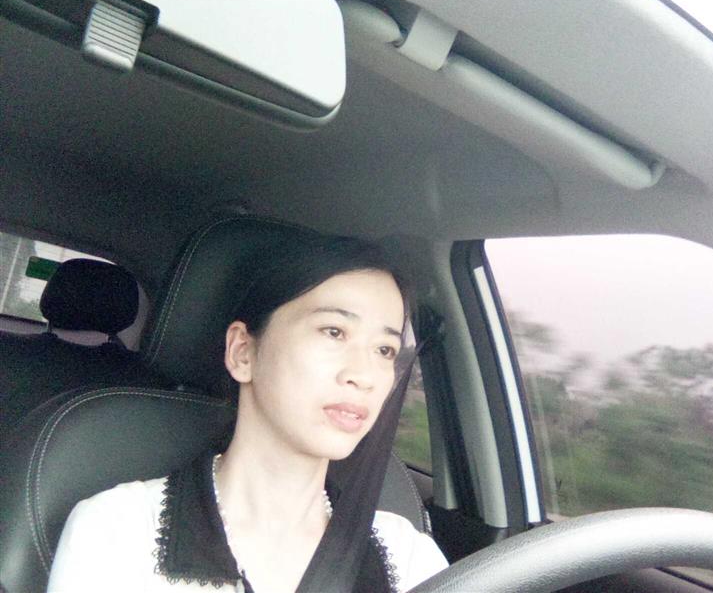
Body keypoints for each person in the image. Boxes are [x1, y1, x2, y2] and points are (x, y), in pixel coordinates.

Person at [47, 235, 449, 592]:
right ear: (243, 351)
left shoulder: (408, 556)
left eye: (384, 350)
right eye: (334, 332)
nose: (364, 376)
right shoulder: (118, 532)